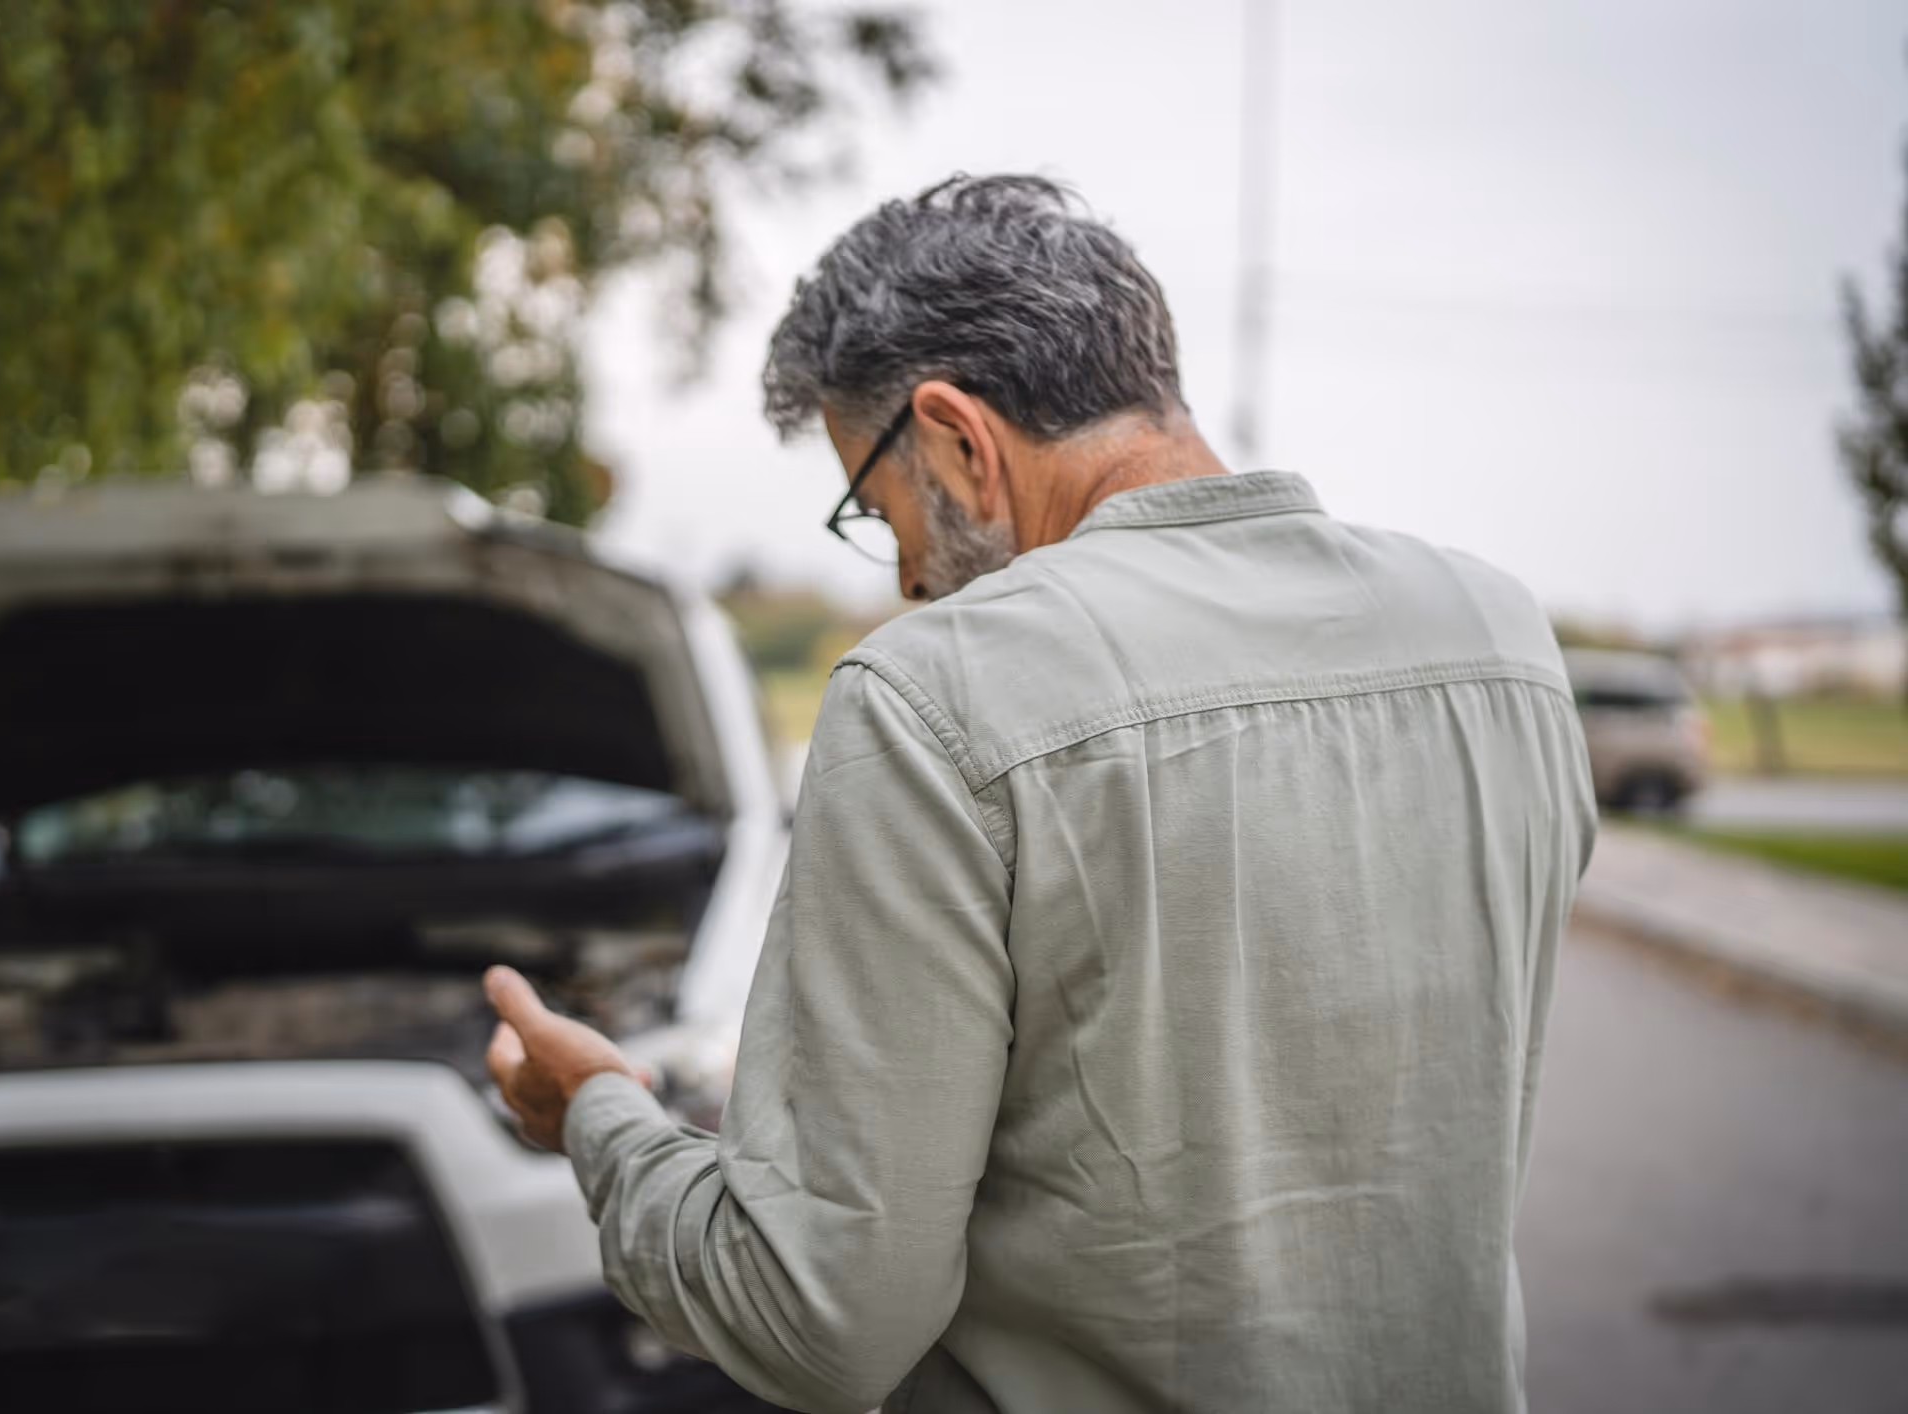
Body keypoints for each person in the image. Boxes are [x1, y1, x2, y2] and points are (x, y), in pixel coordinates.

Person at [484, 173, 1597, 1414]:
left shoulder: (935, 695)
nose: (906, 572)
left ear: (958, 439)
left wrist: (601, 1121)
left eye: (876, 504)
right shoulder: (1504, 645)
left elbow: (821, 1318)